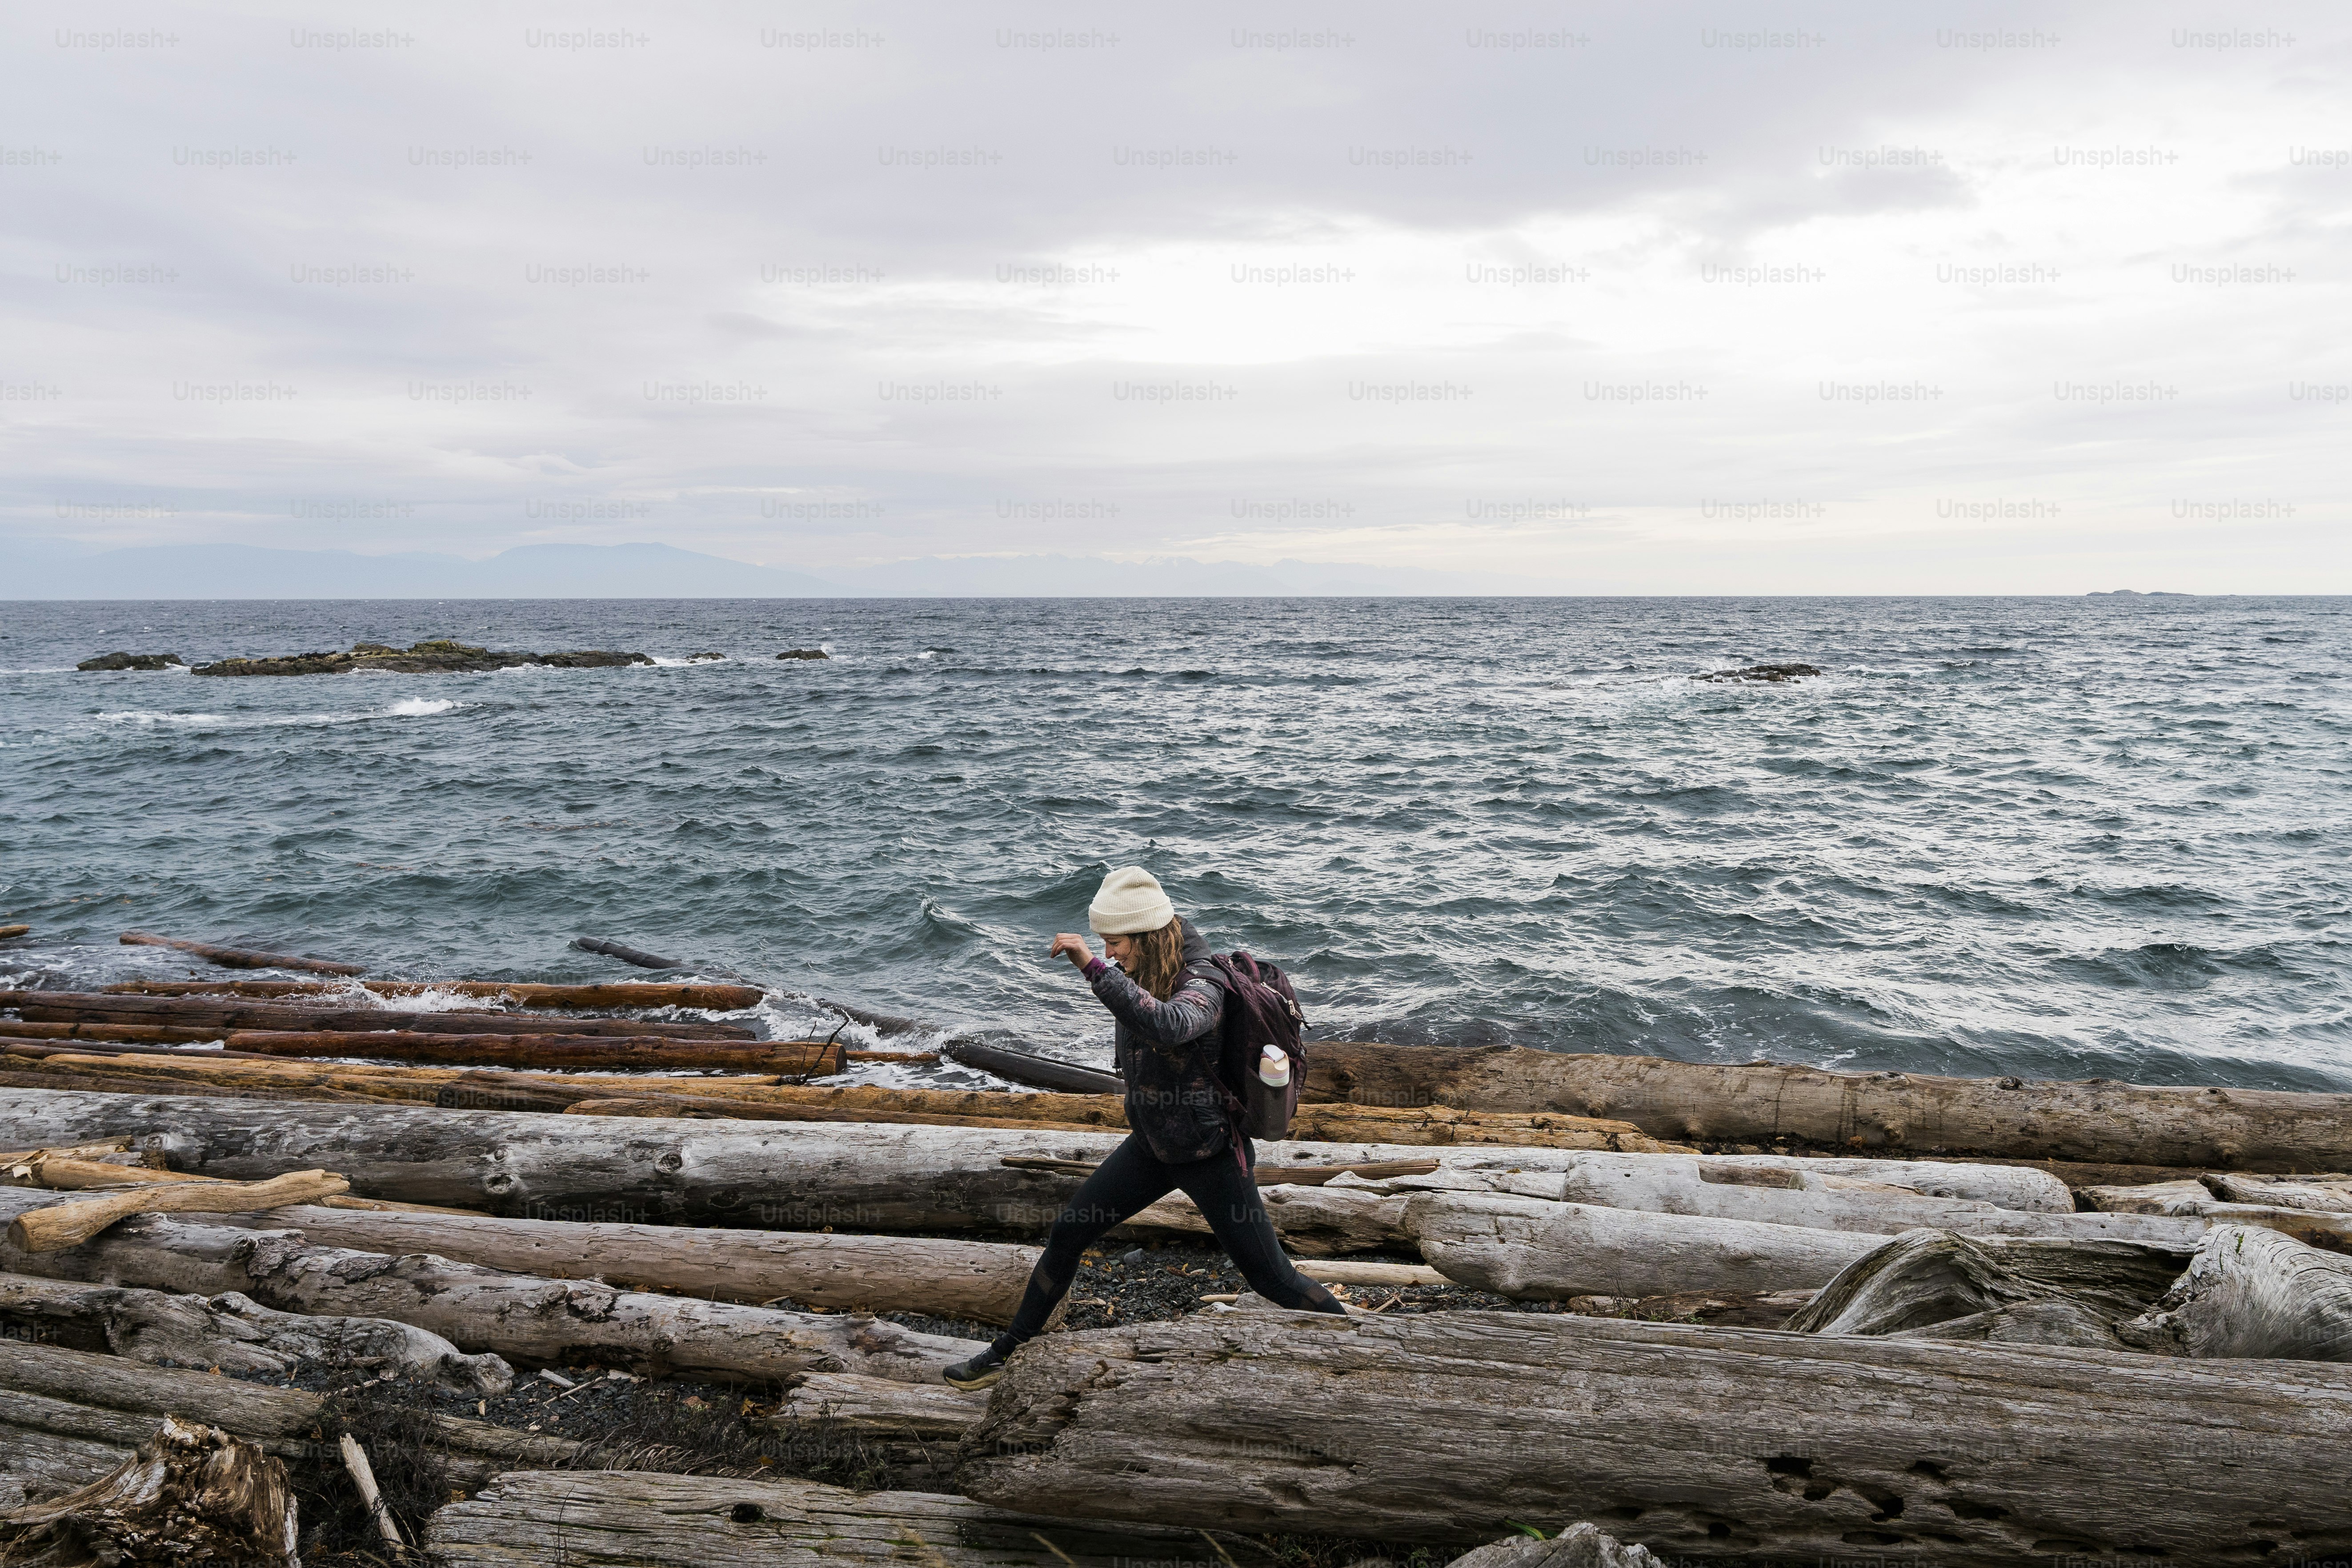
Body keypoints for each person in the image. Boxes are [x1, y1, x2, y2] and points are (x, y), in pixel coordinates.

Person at [942, 866, 1347, 1389]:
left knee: (1271, 1277)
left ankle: (1356, 1346)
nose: (1110, 953)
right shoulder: (1145, 969)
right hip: (1154, 1146)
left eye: (1115, 943)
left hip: (1210, 1155)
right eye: (1104, 946)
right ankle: (1006, 1351)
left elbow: (1170, 1023)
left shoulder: (1204, 982)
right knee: (1069, 1231)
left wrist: (1089, 965)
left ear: (1147, 934)